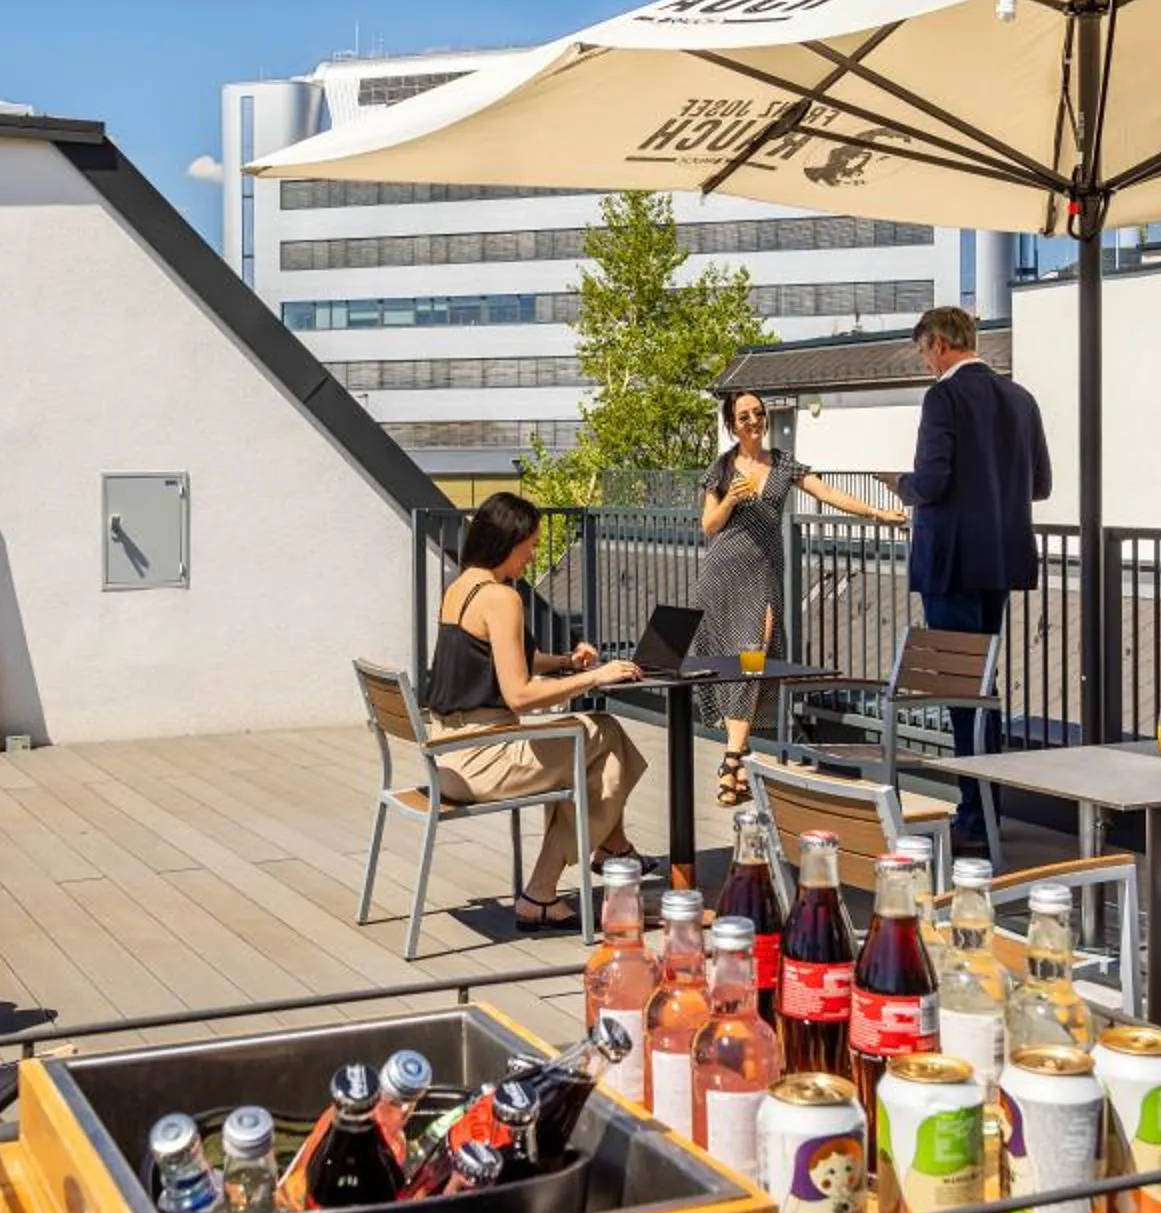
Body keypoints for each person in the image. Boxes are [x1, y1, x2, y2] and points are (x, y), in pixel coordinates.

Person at [424, 491, 649, 929]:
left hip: (447, 752)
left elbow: (505, 661)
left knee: (595, 745)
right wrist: (596, 677)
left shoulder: (461, 588)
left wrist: (566, 661)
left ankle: (604, 852)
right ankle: (565, 875)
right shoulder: (501, 598)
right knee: (605, 736)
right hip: (483, 756)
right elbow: (521, 695)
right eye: (530, 543)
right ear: (509, 540)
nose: (532, 554)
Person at [890, 306, 1050, 857]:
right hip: (1001, 561)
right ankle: (987, 809)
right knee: (983, 685)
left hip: (952, 563)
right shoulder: (1020, 398)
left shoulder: (943, 399)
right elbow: (1042, 484)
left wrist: (901, 484)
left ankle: (976, 817)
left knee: (963, 689)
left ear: (938, 344)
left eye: (923, 351)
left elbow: (932, 482)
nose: (925, 363)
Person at [695, 388, 905, 805]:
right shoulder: (720, 469)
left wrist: (878, 513)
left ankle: (734, 757)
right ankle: (737, 755)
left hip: (763, 573)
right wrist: (732, 499)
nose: (753, 421)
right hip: (723, 573)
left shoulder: (783, 464)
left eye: (758, 413)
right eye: (744, 417)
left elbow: (827, 494)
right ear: (731, 424)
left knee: (754, 657)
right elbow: (708, 526)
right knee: (737, 663)